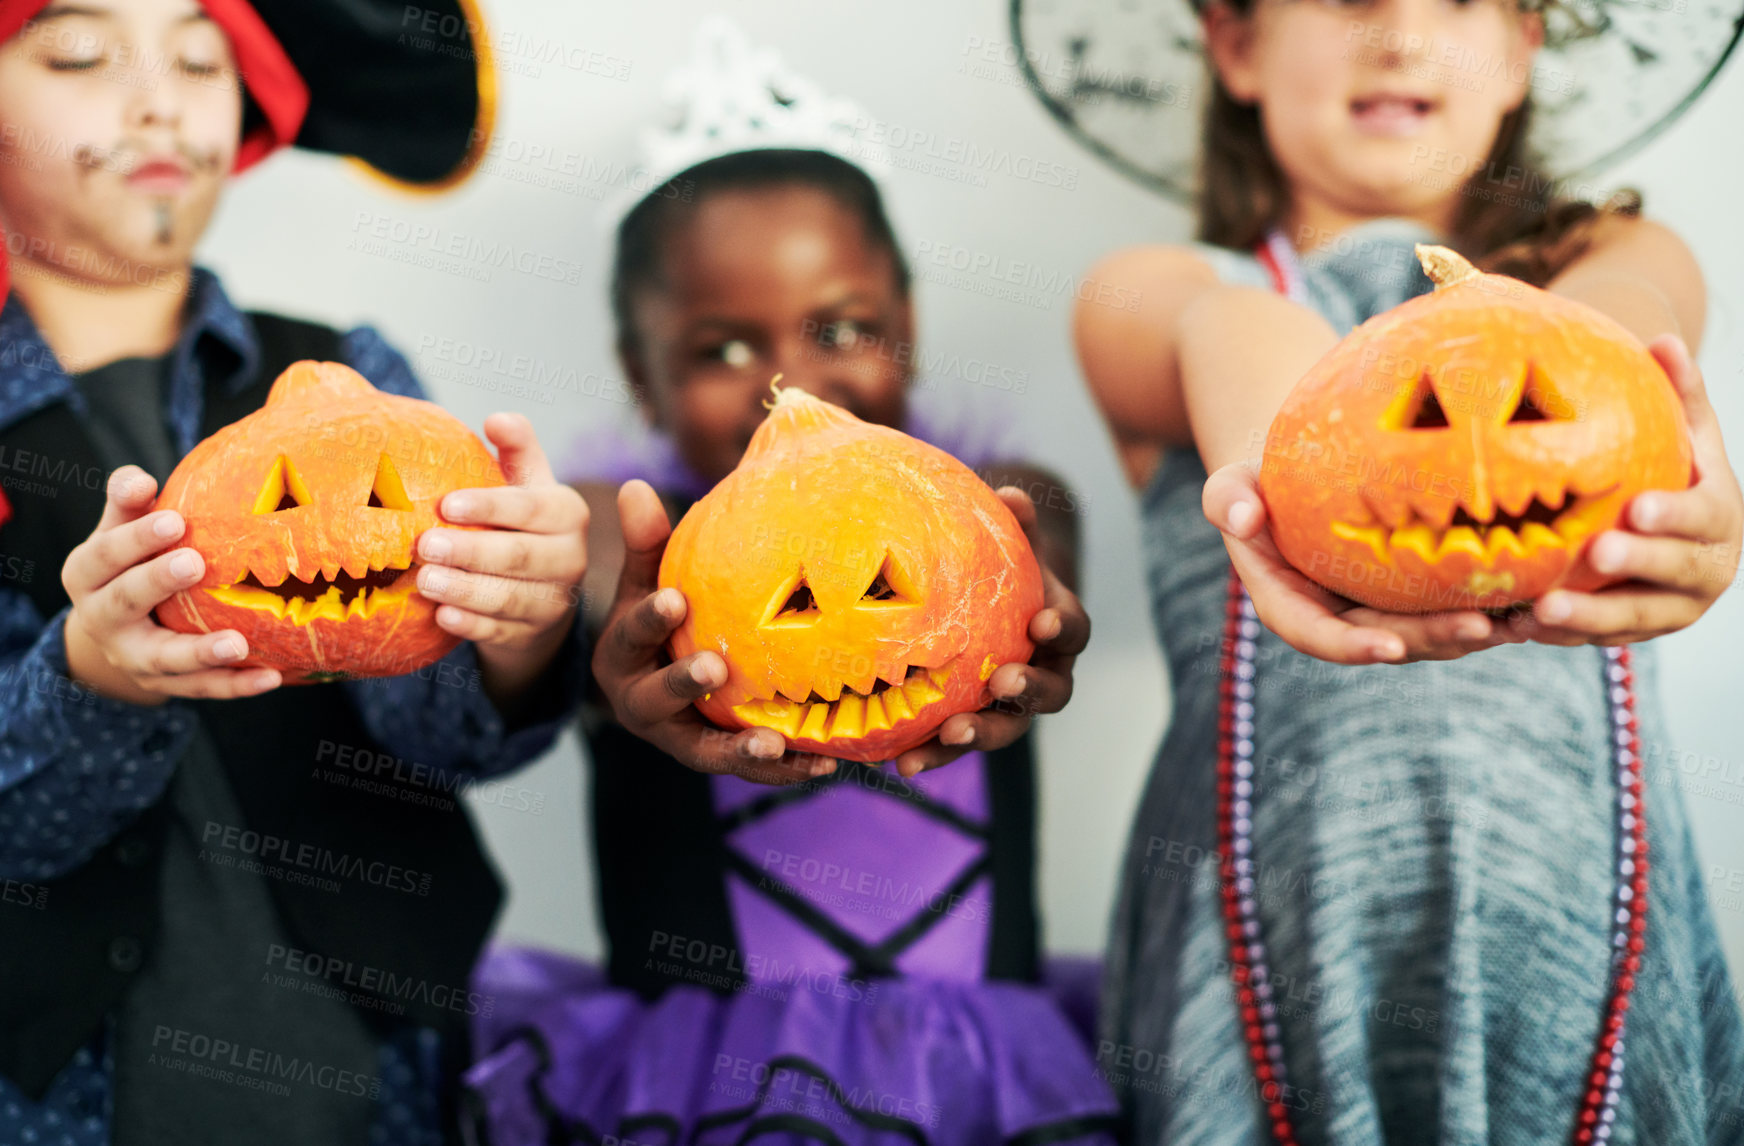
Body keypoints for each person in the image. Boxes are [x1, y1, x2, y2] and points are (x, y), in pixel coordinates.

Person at [1070, 0, 1744, 1137]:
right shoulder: (1159, 287)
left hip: (1570, 917)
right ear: (1235, 46)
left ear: (1523, 47)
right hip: (1276, 930)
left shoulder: (1614, 256)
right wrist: (1287, 481)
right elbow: (1227, 330)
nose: (1398, 32)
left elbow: (1605, 345)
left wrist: (1672, 476)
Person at [462, 22, 1117, 1146]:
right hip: (696, 1084)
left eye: (844, 328)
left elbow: (1029, 534)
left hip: (976, 1080)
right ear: (642, 375)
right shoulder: (633, 542)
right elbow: (542, 608)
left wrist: (1020, 582)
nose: (790, 385)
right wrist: (569, 594)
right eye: (720, 349)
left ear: (906, 327)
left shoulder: (992, 496)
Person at [0, 1, 590, 1143]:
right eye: (79, 53)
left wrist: (513, 627)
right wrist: (88, 680)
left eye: (198, 55)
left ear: (251, 103)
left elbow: (436, 733)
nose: (156, 96)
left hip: (374, 1088)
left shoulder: (355, 378)